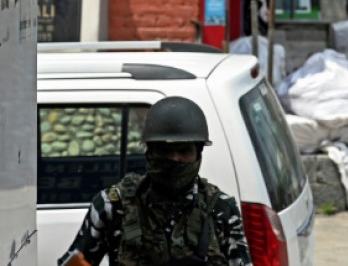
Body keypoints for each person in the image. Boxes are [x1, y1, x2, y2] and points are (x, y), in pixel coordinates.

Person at [58, 97, 251, 265]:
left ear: (198, 154)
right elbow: (74, 263)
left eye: (184, 151)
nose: (174, 159)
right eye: (164, 150)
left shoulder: (220, 209)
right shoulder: (112, 206)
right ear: (149, 152)